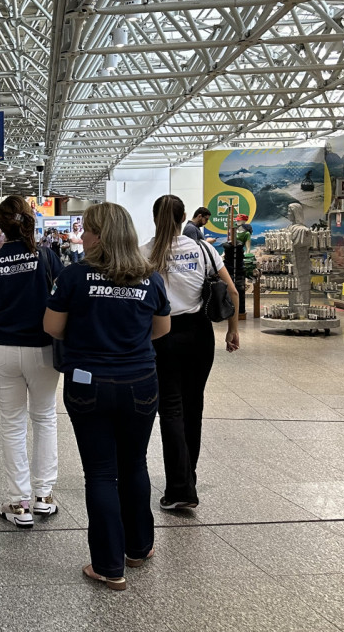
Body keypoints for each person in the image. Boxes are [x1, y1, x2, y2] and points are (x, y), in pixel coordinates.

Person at [44, 202, 170, 591]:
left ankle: (109, 566)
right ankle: (139, 546)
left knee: (100, 472)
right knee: (134, 463)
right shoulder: (150, 277)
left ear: (101, 235)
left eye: (88, 230)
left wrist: (91, 335)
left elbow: (53, 326)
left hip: (88, 383)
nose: (82, 236)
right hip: (140, 382)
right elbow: (161, 330)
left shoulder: (74, 276)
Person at [0, 195, 63, 528]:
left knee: (12, 422)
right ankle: (43, 496)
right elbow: (63, 304)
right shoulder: (48, 257)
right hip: (43, 349)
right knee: (45, 417)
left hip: (3, 350)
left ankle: (18, 502)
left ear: (0, 226)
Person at [144, 195, 240, 512]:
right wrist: (233, 330)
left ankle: (180, 488)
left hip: (161, 336)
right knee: (193, 406)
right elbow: (232, 291)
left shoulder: (144, 253)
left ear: (155, 217)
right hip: (199, 335)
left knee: (170, 409)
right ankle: (189, 480)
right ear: (185, 216)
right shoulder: (203, 249)